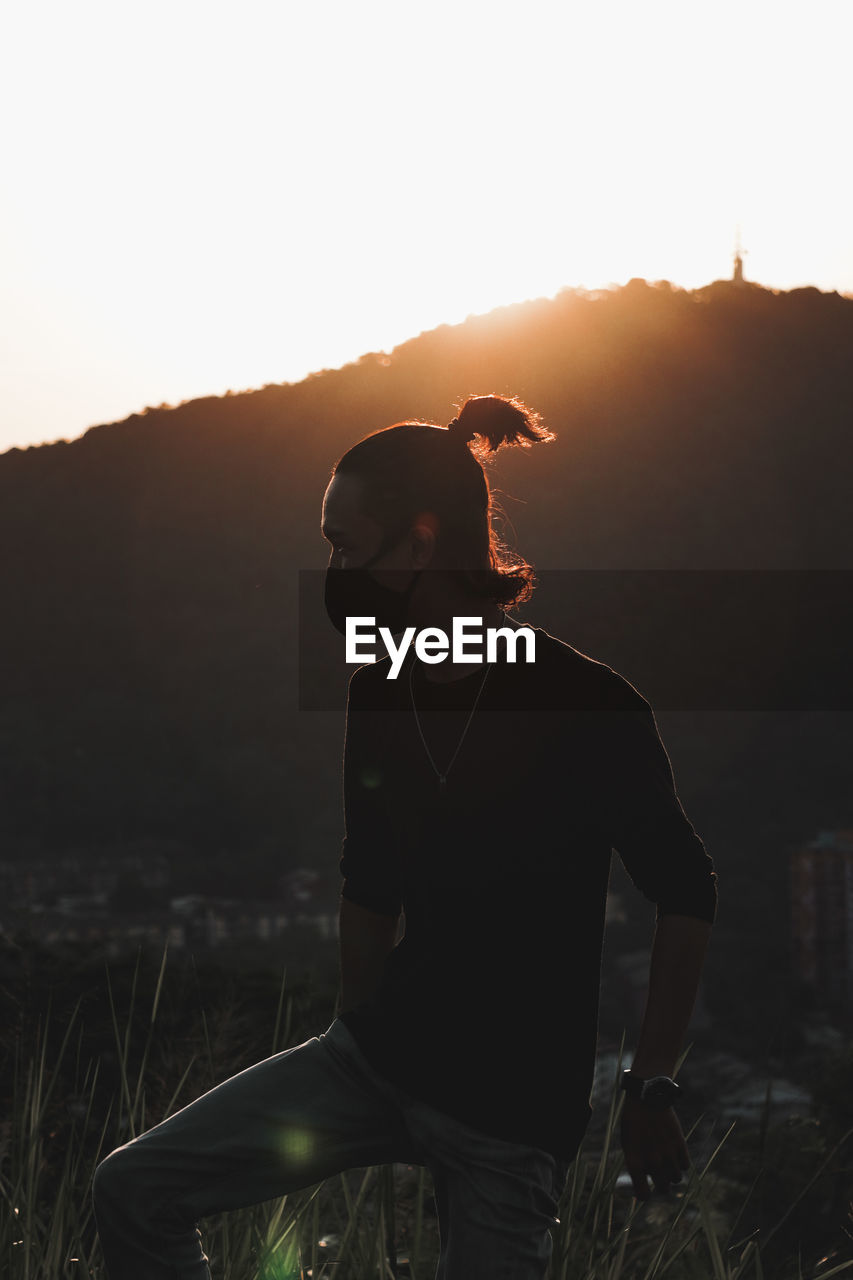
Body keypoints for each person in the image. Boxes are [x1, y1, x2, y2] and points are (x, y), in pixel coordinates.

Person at [92, 393, 717, 1280]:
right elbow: (369, 880)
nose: (331, 570)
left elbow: (685, 889)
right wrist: (355, 1056)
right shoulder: (383, 686)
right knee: (134, 1188)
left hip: (511, 1114)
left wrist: (651, 1084)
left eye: (345, 546)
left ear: (419, 545)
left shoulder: (585, 703)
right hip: (381, 1061)